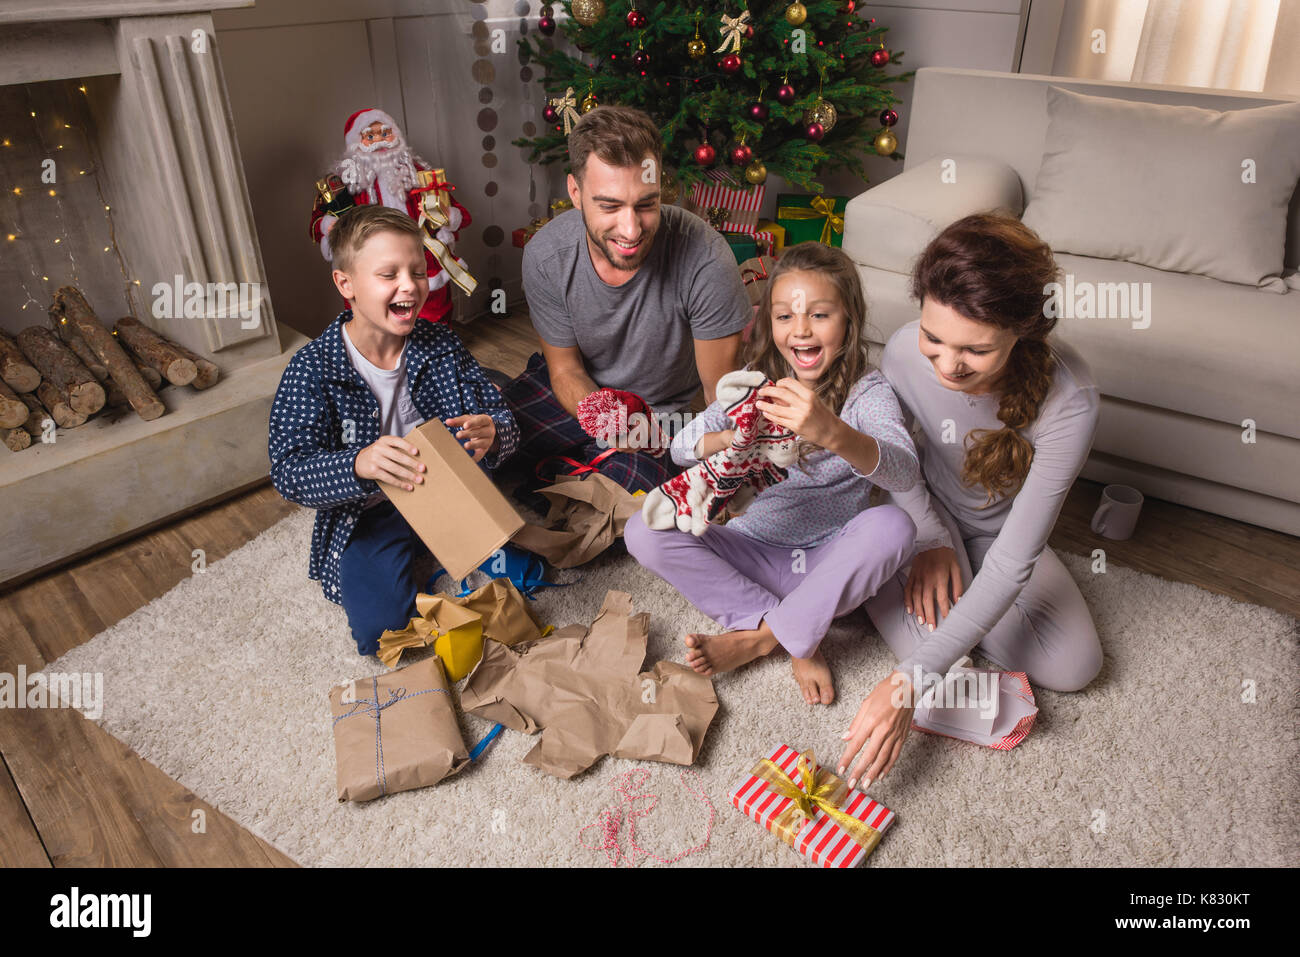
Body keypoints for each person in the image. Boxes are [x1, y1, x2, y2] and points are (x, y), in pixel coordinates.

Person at [838, 212, 1104, 792]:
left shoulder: (1071, 401)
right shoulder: (906, 352)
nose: (948, 364)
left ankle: (938, 612)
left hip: (996, 536)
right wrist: (931, 539)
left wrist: (910, 680)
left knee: (1075, 667)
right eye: (935, 337)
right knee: (946, 668)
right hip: (919, 513)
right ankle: (930, 598)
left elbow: (1013, 560)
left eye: (975, 350)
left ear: (1023, 330)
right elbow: (895, 459)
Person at [625, 242, 920, 705]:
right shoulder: (755, 382)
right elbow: (682, 448)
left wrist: (833, 432)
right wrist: (735, 438)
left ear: (849, 319)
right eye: (785, 317)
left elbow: (904, 473)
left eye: (820, 315)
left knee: (895, 526)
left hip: (828, 565)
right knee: (642, 529)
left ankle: (762, 639)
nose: (800, 331)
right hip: (752, 551)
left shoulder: (868, 392)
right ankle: (785, 624)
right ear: (769, 322)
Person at [269, 205, 518, 655]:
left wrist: (494, 432)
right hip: (370, 511)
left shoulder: (439, 342)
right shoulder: (311, 369)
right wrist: (358, 463)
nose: (410, 285)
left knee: (519, 575)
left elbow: (501, 420)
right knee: (382, 633)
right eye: (389, 274)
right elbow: (288, 472)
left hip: (448, 486)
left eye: (418, 272)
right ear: (346, 284)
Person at [503, 105, 751, 494]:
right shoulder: (546, 254)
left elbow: (721, 397)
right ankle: (575, 456)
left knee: (632, 493)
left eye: (646, 204)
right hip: (582, 393)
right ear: (575, 192)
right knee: (490, 438)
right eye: (610, 206)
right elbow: (566, 371)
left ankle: (580, 469)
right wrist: (603, 423)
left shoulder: (705, 257)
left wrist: (726, 463)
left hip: (661, 418)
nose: (631, 229)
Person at [309, 107, 473, 325]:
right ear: (355, 144)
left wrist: (445, 214)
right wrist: (329, 226)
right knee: (375, 319)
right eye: (370, 136)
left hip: (420, 255)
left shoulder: (417, 172)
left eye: (386, 133)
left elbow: (461, 215)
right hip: (369, 261)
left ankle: (437, 351)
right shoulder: (342, 183)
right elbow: (316, 223)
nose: (380, 140)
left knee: (432, 315)